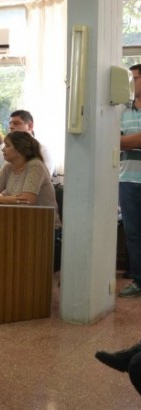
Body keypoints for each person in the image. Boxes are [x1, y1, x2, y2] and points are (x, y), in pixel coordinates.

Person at [0, 131, 61, 228]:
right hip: (20, 224)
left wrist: (2, 199)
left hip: (45, 229)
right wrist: (7, 200)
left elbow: (26, 201)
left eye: (7, 146)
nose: (3, 149)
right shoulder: (8, 167)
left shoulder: (36, 166)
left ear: (20, 149)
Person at [118, 63, 141, 297]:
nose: (130, 83)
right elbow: (112, 139)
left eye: (134, 78)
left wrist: (126, 141)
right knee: (133, 233)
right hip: (128, 180)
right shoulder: (122, 111)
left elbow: (124, 141)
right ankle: (138, 280)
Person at [0, 110, 54, 184]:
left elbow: (42, 180)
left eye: (16, 123)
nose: (11, 127)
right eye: (10, 124)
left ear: (30, 126)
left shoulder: (42, 150)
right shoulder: (0, 149)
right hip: (0, 193)